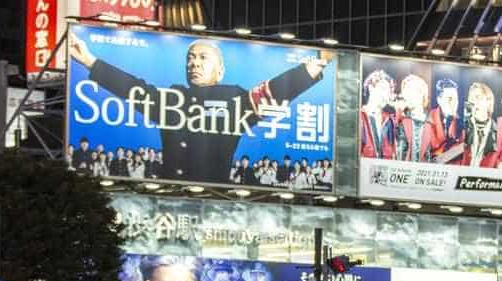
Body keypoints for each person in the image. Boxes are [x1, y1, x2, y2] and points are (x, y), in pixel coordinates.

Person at [69, 35, 331, 184]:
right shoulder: (173, 98)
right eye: (190, 58)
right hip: (169, 192)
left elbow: (273, 92)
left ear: (220, 70)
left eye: (203, 58)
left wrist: (311, 69)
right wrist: (90, 61)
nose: (194, 63)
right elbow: (133, 89)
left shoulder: (232, 98)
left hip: (215, 198)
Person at [359, 69, 397, 159]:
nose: (386, 95)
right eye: (383, 89)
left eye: (389, 91)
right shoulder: (359, 117)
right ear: (370, 88)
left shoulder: (390, 120)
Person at [460, 82, 497, 167]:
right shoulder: (463, 127)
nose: (474, 102)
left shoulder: (499, 132)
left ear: (489, 101)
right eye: (471, 99)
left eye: (478, 97)